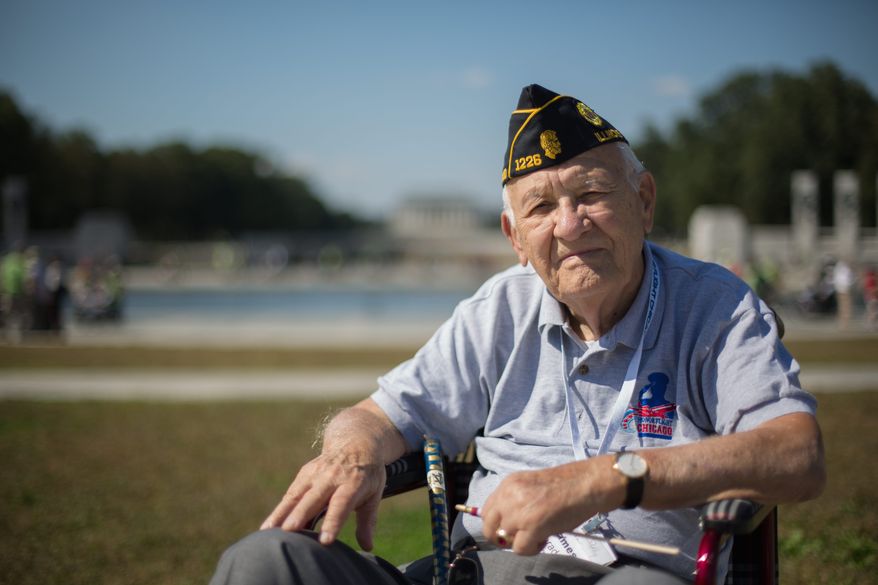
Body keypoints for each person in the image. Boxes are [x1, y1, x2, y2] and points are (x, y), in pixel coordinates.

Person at [210, 84, 825, 585]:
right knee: (265, 561)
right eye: (540, 209)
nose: (568, 225)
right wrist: (353, 450)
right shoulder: (499, 307)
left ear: (644, 199)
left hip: (635, 572)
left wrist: (607, 477)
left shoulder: (713, 306)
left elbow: (797, 454)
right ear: (514, 237)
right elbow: (380, 414)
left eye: (591, 193)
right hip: (478, 572)